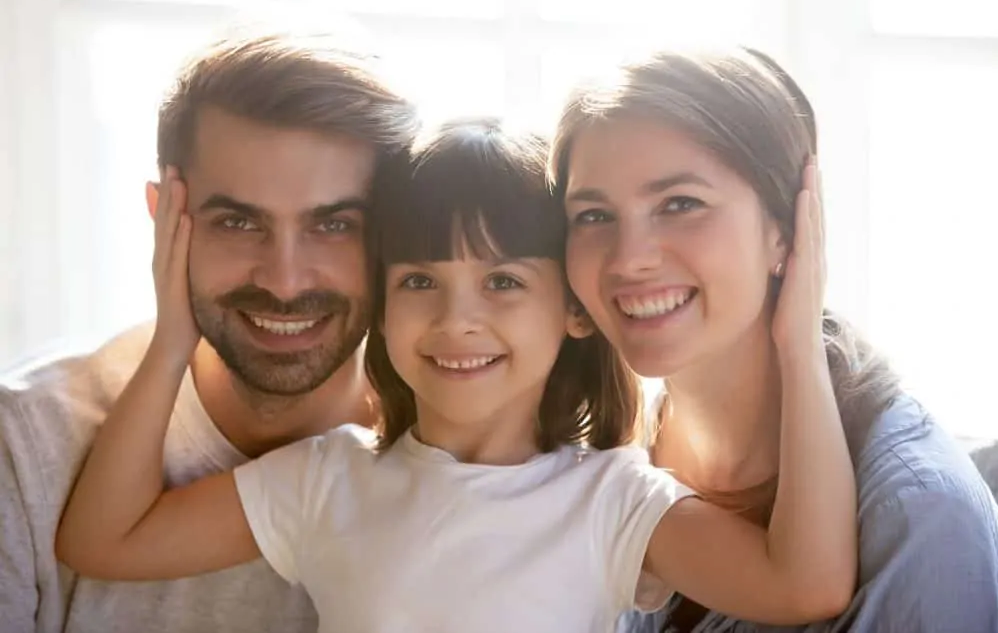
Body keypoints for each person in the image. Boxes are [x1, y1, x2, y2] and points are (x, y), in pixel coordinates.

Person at [57, 117, 856, 632]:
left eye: (503, 282)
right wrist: (172, 342)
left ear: (575, 308)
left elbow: (806, 586)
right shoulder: (324, 480)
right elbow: (102, 539)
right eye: (418, 281)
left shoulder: (612, 500)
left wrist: (796, 337)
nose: (455, 320)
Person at [549, 47, 998, 632]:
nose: (629, 259)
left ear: (787, 230)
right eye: (594, 216)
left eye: (680, 204)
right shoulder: (608, 455)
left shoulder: (920, 517)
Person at [0, 28, 418, 633]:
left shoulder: (467, 452)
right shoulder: (26, 445)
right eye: (239, 222)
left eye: (334, 225)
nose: (285, 280)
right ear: (165, 217)